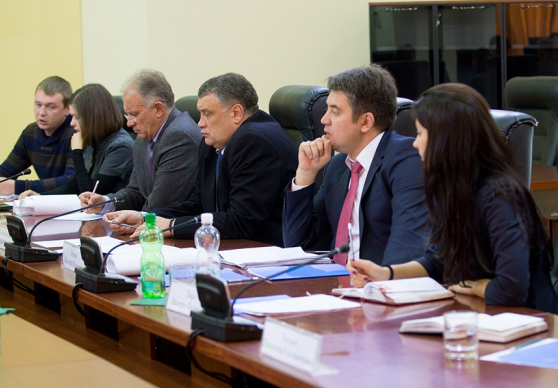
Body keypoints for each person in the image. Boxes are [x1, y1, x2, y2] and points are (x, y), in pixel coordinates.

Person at [349, 83, 557, 313]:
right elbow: (437, 260)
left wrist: (476, 287)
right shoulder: (452, 187)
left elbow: (511, 288)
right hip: (477, 313)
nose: (415, 143)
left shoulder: (498, 194)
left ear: (446, 138)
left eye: (420, 134)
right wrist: (386, 273)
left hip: (527, 319)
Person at [105, 72, 298, 246]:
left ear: (236, 113)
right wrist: (147, 218)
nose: (200, 123)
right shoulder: (213, 144)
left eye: (207, 114)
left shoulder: (254, 140)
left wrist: (171, 226)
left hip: (266, 250)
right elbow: (197, 204)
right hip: (232, 246)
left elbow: (241, 221)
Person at [283, 65, 428, 265]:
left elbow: (408, 245)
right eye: (326, 109)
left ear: (366, 122)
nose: (324, 120)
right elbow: (298, 246)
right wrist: (305, 175)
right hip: (336, 279)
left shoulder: (407, 161)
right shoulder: (338, 167)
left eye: (335, 112)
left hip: (376, 281)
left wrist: (378, 282)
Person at [79, 69, 201, 212]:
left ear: (158, 109)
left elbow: (161, 204)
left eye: (134, 114)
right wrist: (106, 202)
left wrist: (133, 218)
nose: (129, 123)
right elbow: (136, 191)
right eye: (127, 115)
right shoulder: (144, 136)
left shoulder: (180, 137)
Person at [19, 84, 134, 197]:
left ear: (93, 117)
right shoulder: (95, 139)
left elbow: (91, 194)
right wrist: (40, 197)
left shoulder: (120, 146)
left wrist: (76, 152)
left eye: (77, 117)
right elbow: (74, 185)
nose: (72, 123)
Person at [0, 76, 75, 194]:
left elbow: (70, 182)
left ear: (67, 109)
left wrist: (19, 187)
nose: (42, 113)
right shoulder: (31, 133)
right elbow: (7, 170)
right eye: (38, 105)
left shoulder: (76, 133)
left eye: (51, 107)